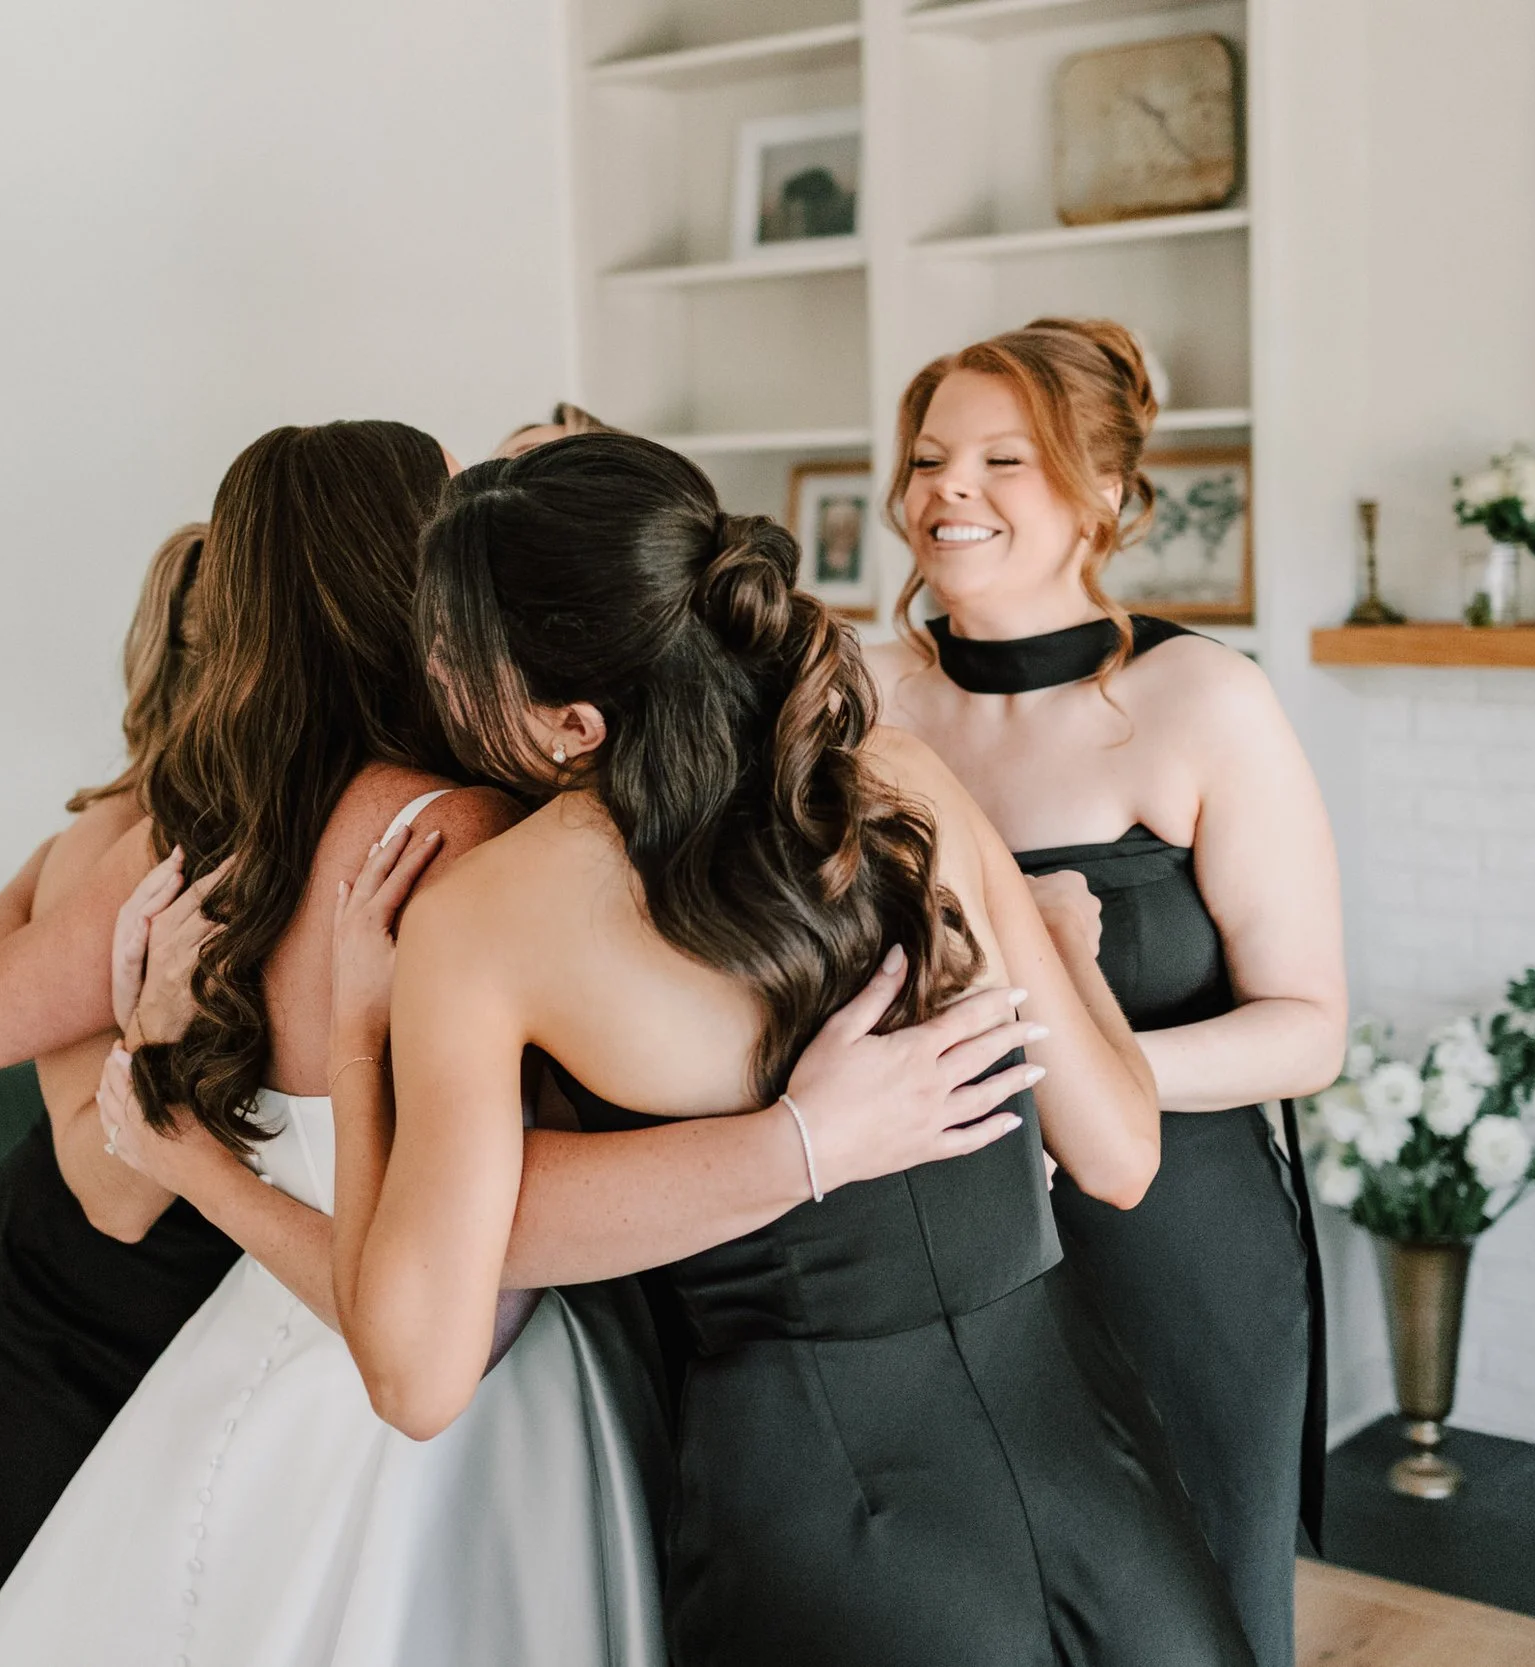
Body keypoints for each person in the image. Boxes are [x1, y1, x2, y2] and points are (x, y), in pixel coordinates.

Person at [324, 433, 1255, 1667]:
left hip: (824, 1528)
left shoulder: (479, 920)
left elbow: (415, 1376)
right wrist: (1055, 941)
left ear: (567, 717)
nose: (436, 680)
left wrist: (354, 1028)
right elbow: (1121, 1151)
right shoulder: (898, 780)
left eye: (449, 656)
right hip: (1092, 1475)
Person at [868, 318, 1347, 1667]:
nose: (946, 489)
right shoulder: (861, 695)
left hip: (1173, 1247)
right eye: (928, 458)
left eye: (1002, 458)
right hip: (935, 1240)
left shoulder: (1203, 699)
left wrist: (1090, 1058)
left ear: (1107, 497)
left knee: (1188, 1617)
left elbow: (1310, 1025)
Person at [0, 522, 245, 1661]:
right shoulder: (131, 847)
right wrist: (160, 1026)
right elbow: (109, 1189)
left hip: (211, 1308)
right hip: (70, 1307)